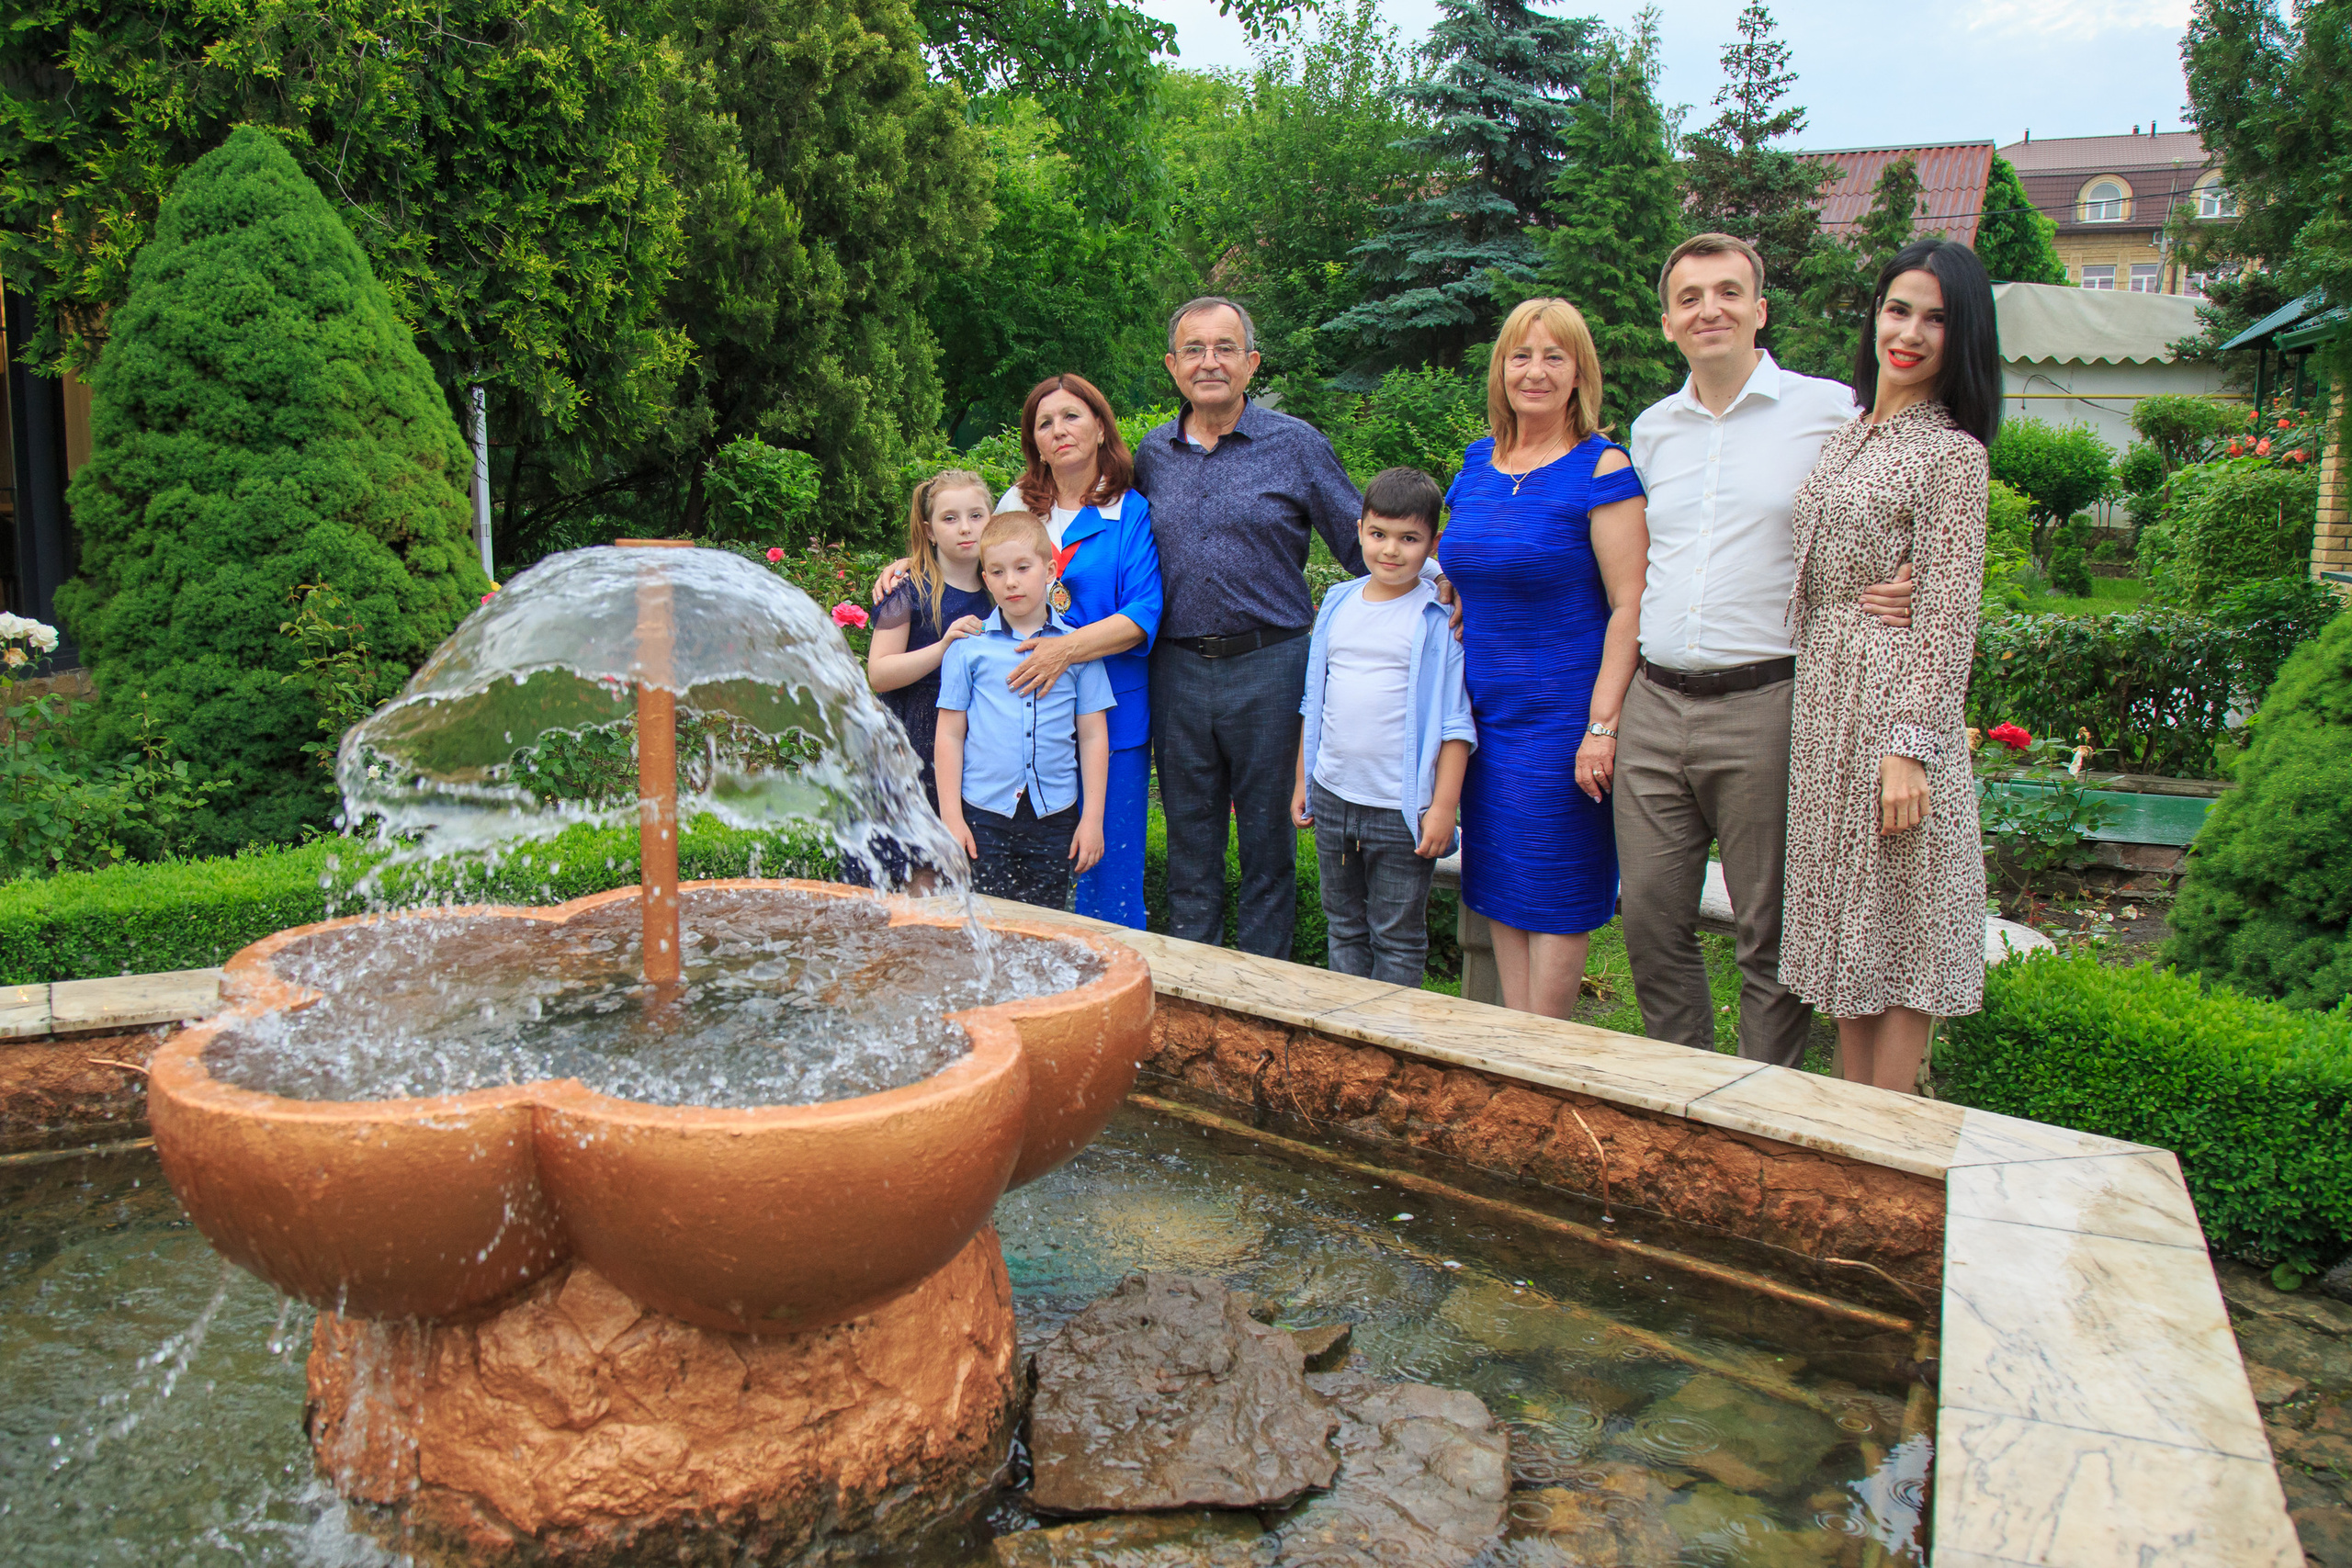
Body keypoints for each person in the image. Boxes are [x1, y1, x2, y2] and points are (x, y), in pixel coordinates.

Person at [1617, 233, 1916, 1067]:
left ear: (1760, 309)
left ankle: (1758, 1103)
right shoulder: (1652, 429)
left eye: (1726, 291)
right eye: (1689, 297)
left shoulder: (1830, 411)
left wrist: (1918, 573)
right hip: (1655, 699)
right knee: (1647, 914)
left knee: (1768, 928)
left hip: (1768, 702)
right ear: (1668, 321)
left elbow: (1918, 489)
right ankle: (1680, 1085)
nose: (1707, 308)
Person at [1781, 238, 1999, 1093]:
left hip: (1892, 707)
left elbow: (1949, 617)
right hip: (1830, 698)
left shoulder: (1954, 455)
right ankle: (1850, 1129)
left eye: (1936, 318)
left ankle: (1891, 1130)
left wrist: (1909, 746)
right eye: (1898, 309)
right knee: (1849, 925)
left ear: (1964, 335)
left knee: (1899, 925)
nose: (1910, 332)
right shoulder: (1848, 436)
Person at [1136, 297, 1365, 958]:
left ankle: (1266, 1003)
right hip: (1176, 670)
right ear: (1174, 365)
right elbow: (1068, 523)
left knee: (1268, 845)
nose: (1210, 361)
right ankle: (1193, 992)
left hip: (1272, 666)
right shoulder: (1152, 454)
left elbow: (1364, 544)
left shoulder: (1295, 445)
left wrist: (1444, 579)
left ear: (1251, 362)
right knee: (1190, 841)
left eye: (1225, 347)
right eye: (1195, 349)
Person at [1440, 299, 1648, 1019]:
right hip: (1483, 720)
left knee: (1555, 894)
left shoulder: (1602, 466)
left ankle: (1547, 1068)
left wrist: (1602, 725)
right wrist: (1451, 585)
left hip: (1563, 722)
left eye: (1553, 357)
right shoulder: (1477, 461)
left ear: (1578, 372)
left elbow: (1630, 602)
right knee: (1498, 883)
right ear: (1500, 369)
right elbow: (1464, 557)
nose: (1535, 371)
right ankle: (1516, 1072)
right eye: (1521, 356)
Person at [1291, 468, 1476, 985]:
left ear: (1432, 544)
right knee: (1344, 925)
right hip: (1332, 796)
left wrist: (1442, 808)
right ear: (1359, 530)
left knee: (1396, 935)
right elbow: (1315, 698)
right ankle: (1347, 1043)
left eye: (1409, 539)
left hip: (1401, 807)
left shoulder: (1439, 615)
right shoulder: (1338, 602)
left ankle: (1393, 1050)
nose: (1391, 550)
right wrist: (1302, 780)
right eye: (1379, 534)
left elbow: (1456, 723)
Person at [995, 375, 1162, 928]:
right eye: (1044, 423)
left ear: (1099, 427)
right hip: (1028, 715)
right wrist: (911, 566)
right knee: (1019, 868)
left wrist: (1062, 650)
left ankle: (1110, 1001)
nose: (1059, 430)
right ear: (1034, 442)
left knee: (1106, 869)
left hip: (1111, 719)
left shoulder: (1129, 509)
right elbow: (975, 570)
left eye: (1071, 416)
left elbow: (1142, 613)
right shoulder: (1016, 504)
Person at [935, 512, 1114, 909]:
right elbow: (949, 733)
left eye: (1022, 567)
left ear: (1049, 570)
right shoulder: (969, 648)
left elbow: (1093, 735)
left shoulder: (1078, 650)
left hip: (1054, 815)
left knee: (1045, 926)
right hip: (983, 813)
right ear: (986, 580)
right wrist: (951, 816)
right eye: (997, 572)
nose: (1011, 581)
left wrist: (1092, 819)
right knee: (987, 924)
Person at [866, 469, 993, 810]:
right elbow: (879, 673)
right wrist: (942, 649)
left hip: (975, 739)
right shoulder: (908, 590)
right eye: (949, 518)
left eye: (976, 516)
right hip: (911, 737)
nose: (965, 528)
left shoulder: (998, 593)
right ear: (929, 531)